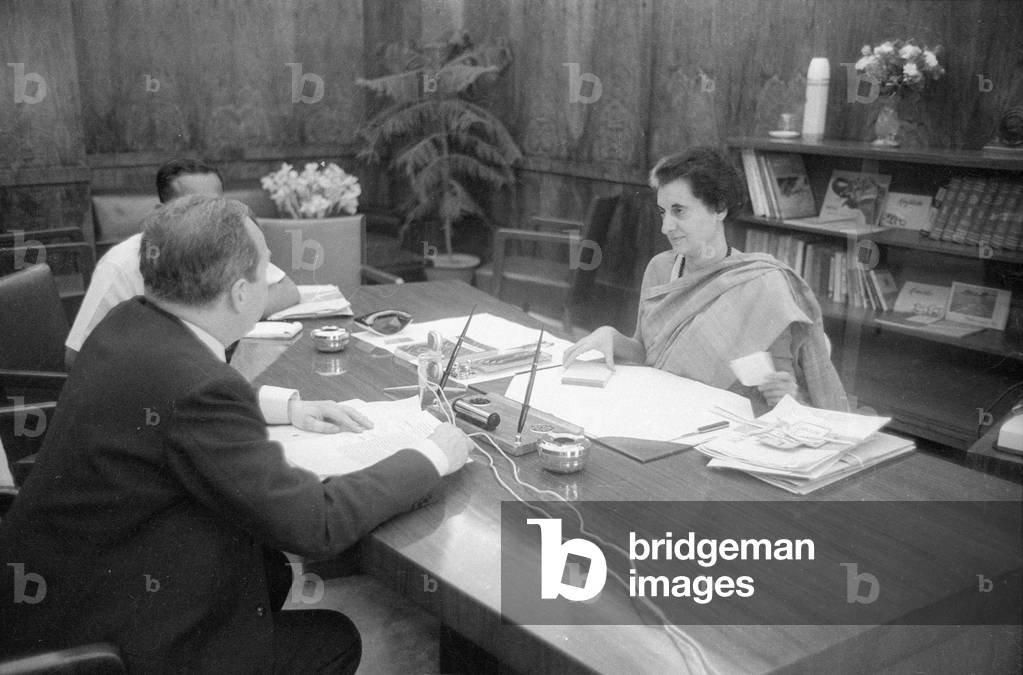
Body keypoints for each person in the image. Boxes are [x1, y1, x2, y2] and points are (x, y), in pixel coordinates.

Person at [0, 195, 474, 673]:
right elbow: (316, 524)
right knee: (331, 637)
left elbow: (166, 403)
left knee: (266, 567)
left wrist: (285, 406)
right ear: (241, 294)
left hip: (53, 597)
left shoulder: (130, 321)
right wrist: (431, 455)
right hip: (111, 641)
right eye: (267, 264)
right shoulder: (198, 387)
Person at [564, 147, 848, 414]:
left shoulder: (763, 285)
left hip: (726, 425)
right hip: (661, 412)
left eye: (679, 211)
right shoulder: (661, 269)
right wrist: (612, 337)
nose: (666, 227)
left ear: (719, 209)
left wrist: (789, 396)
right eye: (663, 212)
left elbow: (783, 392)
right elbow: (649, 355)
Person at [64, 158, 301, 368]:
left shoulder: (229, 243)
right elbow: (78, 356)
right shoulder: (122, 263)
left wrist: (226, 316)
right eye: (193, 207)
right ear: (163, 213)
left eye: (214, 206)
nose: (208, 218)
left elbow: (286, 289)